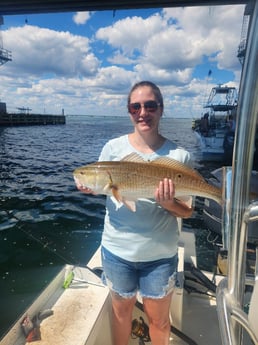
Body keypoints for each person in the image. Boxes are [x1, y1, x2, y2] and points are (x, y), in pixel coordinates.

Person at [76, 81, 193, 345]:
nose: (143, 112)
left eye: (150, 105)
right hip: (118, 253)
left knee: (160, 321)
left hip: (160, 257)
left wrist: (167, 203)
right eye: (135, 106)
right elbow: (110, 189)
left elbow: (187, 212)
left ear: (161, 109)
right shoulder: (112, 150)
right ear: (129, 111)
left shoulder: (179, 156)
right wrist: (90, 185)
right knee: (120, 314)